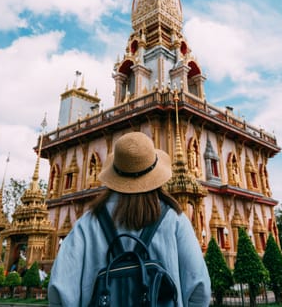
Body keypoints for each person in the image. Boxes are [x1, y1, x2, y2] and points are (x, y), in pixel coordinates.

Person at [48, 131, 210, 307]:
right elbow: (198, 288)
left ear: (114, 174)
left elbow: (60, 291)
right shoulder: (175, 220)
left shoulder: (87, 224)